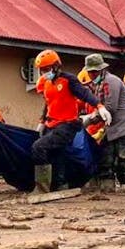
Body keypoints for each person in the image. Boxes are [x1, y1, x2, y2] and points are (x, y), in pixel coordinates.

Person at [33, 50, 111, 192]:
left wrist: (99, 106)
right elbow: (48, 103)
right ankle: (60, 185)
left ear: (56, 66)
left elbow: (85, 93)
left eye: (46, 69)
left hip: (67, 125)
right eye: (42, 70)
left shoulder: (68, 80)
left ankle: (42, 188)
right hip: (51, 124)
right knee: (57, 154)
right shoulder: (46, 83)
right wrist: (41, 121)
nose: (44, 73)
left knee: (38, 147)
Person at [80, 53, 125, 191]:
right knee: (105, 158)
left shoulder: (111, 82)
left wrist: (88, 120)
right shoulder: (98, 85)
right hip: (113, 129)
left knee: (122, 160)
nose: (92, 75)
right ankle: (107, 188)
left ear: (102, 69)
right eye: (90, 72)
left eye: (94, 72)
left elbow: (110, 109)